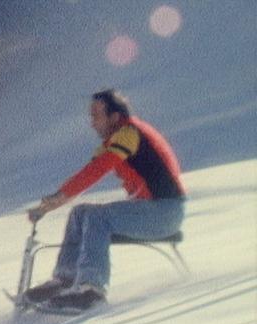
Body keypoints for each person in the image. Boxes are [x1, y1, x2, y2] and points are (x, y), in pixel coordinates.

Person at [26, 89, 186, 311]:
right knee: (80, 213)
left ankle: (92, 291)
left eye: (96, 116)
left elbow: (97, 170)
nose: (92, 123)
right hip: (150, 209)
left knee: (97, 217)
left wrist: (60, 196)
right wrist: (52, 203)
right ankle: (66, 280)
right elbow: (89, 170)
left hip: (165, 212)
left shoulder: (129, 133)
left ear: (114, 117)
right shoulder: (116, 138)